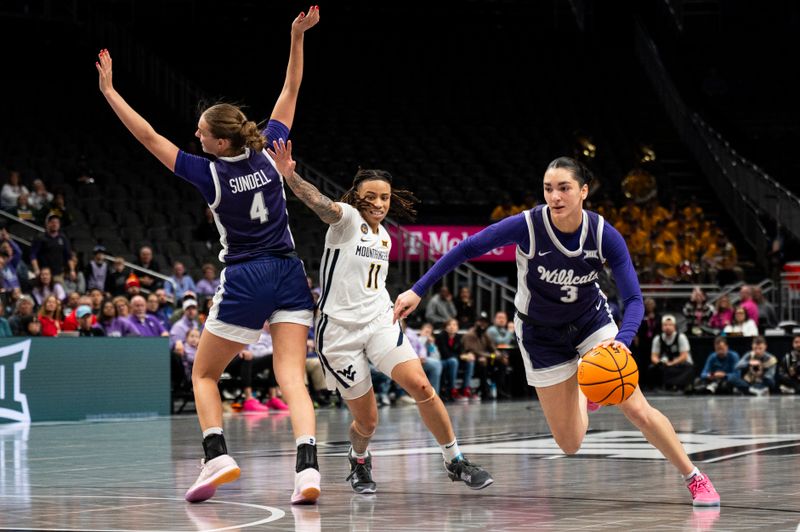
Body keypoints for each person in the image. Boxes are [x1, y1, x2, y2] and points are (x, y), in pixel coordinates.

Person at [393, 156, 719, 506]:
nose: (555, 196)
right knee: (570, 443)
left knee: (636, 406)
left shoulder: (603, 234)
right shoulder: (528, 225)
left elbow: (635, 300)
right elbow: (469, 247)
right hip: (539, 335)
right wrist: (418, 289)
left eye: (564, 188)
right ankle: (586, 383)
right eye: (549, 188)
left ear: (583, 191)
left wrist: (622, 343)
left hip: (590, 323)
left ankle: (694, 476)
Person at [96, 6, 321, 504]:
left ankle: (217, 453)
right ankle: (308, 469)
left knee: (203, 373)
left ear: (219, 142)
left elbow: (149, 137)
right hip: (288, 272)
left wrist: (111, 92)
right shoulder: (269, 149)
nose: (194, 136)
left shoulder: (210, 173)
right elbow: (289, 91)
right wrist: (296, 37)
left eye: (201, 133)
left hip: (245, 275)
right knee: (291, 377)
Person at [268, 140, 493, 494]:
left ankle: (455, 460)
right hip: (339, 332)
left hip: (379, 322)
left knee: (422, 386)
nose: (378, 203)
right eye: (370, 195)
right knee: (367, 420)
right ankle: (359, 460)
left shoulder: (386, 237)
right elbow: (321, 204)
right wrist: (290, 175)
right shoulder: (347, 219)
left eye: (384, 197)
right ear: (356, 197)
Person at [647, 315, 694, 392]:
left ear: (674, 327)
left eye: (670, 325)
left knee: (687, 368)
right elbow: (654, 356)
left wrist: (672, 363)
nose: (667, 327)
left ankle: (680, 386)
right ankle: (658, 387)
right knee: (652, 368)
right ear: (662, 327)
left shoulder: (681, 337)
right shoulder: (658, 339)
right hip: (665, 362)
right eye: (665, 325)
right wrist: (659, 362)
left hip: (679, 363)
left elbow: (684, 356)